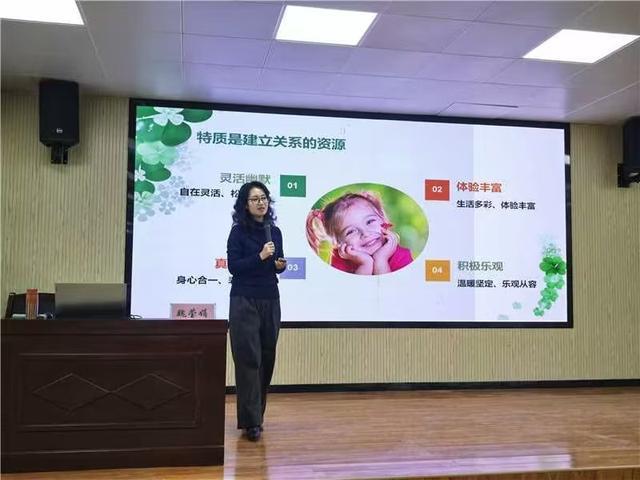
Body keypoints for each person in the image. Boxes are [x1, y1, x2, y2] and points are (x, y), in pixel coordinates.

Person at [227, 181, 286, 442]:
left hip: (270, 298)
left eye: (263, 198)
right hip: (244, 300)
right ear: (245, 204)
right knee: (248, 359)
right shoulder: (238, 233)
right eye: (255, 199)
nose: (261, 203)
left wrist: (280, 264)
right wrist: (260, 256)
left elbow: (277, 263)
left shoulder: (275, 231)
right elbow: (234, 267)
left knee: (266, 358)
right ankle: (251, 422)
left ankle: (257, 416)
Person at [306, 191, 412, 275]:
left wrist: (381, 260)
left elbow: (388, 291)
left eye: (370, 221)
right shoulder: (340, 261)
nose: (365, 233)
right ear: (338, 243)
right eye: (351, 231)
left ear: (383, 220)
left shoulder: (402, 257)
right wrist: (365, 264)